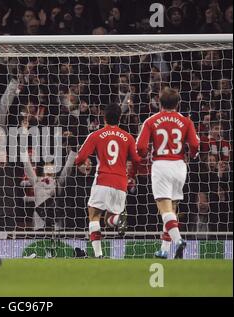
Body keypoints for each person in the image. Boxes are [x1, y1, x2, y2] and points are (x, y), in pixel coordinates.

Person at [136, 87, 199, 259]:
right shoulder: (186, 121)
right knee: (172, 209)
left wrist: (141, 155)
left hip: (162, 165)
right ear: (178, 103)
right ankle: (164, 250)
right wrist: (192, 155)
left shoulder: (151, 121)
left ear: (159, 102)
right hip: (179, 166)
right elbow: (194, 145)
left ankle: (178, 241)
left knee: (164, 209)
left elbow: (141, 147)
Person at [75, 104, 141, 258]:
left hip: (102, 180)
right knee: (109, 219)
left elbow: (79, 159)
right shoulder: (129, 137)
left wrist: (80, 163)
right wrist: (132, 173)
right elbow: (137, 159)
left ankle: (98, 255)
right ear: (120, 118)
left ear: (104, 117)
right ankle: (118, 219)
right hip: (121, 183)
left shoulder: (96, 135)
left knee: (94, 216)